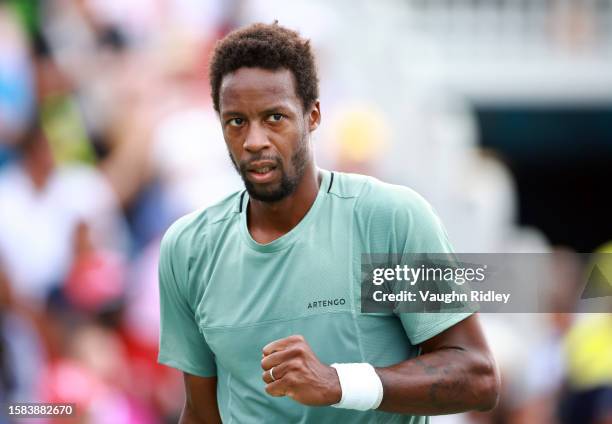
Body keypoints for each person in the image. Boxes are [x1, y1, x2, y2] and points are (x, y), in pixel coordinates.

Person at [157, 22, 499, 423]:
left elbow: (478, 376)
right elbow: (200, 413)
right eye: (236, 121)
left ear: (313, 115)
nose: (254, 141)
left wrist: (339, 383)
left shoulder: (388, 220)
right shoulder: (188, 248)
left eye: (274, 118)